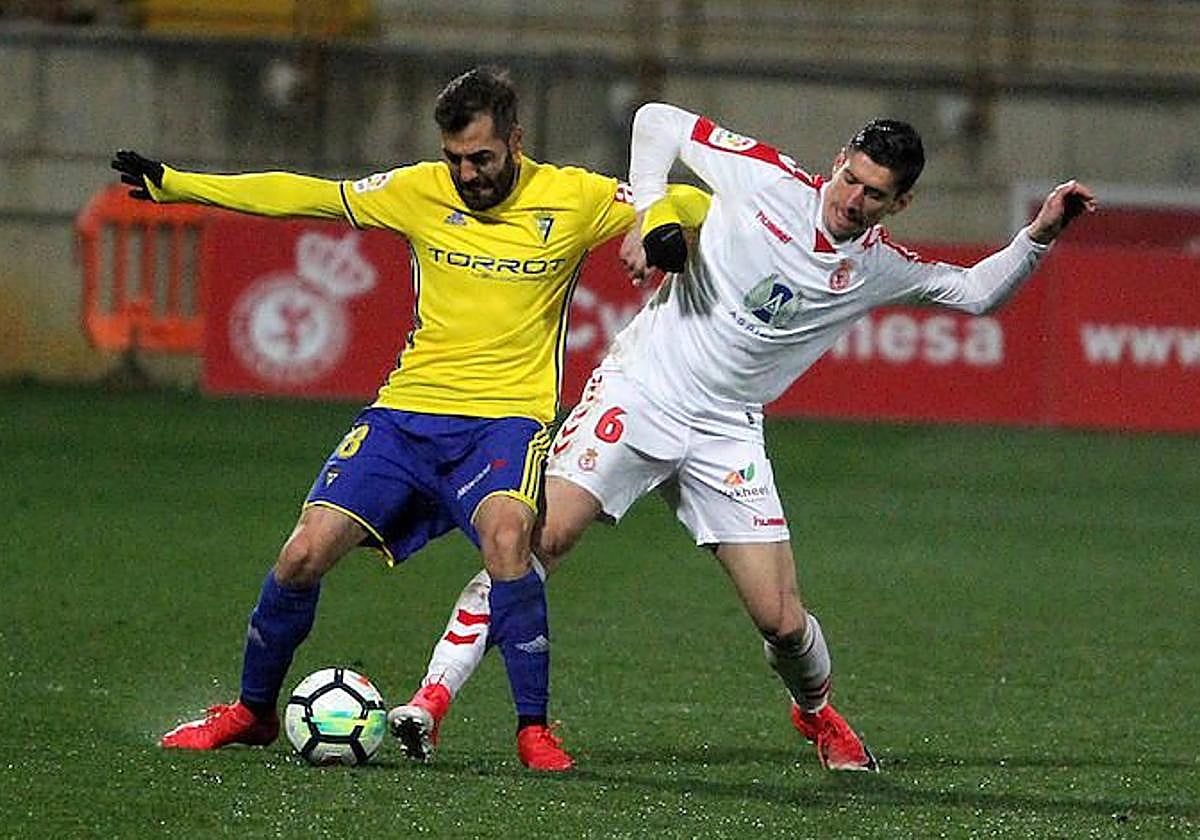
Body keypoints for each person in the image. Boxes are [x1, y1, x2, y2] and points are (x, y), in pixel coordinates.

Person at [387, 101, 1097, 772]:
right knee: (541, 538)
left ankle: (816, 711)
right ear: (839, 159)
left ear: (898, 204)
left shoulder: (878, 266)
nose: (852, 200)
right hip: (643, 391)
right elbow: (657, 121)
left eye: (873, 195)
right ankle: (432, 696)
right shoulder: (765, 178)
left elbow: (974, 294)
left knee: (783, 622)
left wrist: (1039, 235)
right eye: (850, 178)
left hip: (728, 432)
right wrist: (652, 210)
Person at [113, 68, 707, 772]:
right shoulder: (419, 190)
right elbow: (308, 196)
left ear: (515, 141)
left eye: (482, 158)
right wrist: (178, 184)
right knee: (302, 553)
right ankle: (252, 711)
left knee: (509, 541)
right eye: (455, 158)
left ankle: (532, 731)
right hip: (405, 417)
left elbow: (699, 199)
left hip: (505, 421)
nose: (466, 174)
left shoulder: (573, 197)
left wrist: (656, 222)